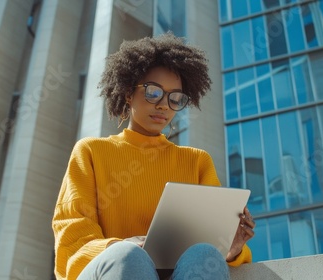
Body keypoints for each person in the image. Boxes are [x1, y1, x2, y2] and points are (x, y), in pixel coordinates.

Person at [52, 33, 255, 280]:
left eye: (175, 98)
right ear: (128, 93)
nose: (164, 105)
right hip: (109, 270)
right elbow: (72, 236)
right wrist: (122, 245)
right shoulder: (90, 152)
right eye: (153, 92)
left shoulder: (197, 162)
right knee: (128, 256)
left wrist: (230, 249)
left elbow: (210, 238)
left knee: (205, 255)